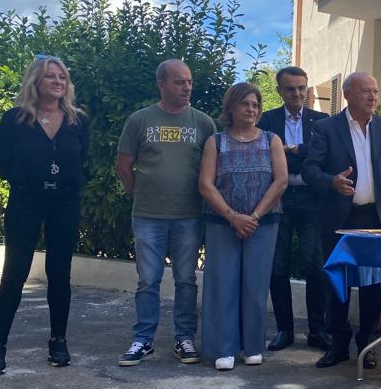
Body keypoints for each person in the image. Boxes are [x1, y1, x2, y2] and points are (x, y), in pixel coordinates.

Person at [0, 56, 90, 376]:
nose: (57, 82)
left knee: (60, 274)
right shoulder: (15, 119)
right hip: (26, 199)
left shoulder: (78, 121)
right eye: (50, 76)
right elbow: (3, 161)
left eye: (62, 77)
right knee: (14, 273)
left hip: (64, 202)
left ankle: (58, 341)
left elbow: (82, 158)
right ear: (35, 81)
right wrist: (28, 179)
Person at [301, 72, 381, 369]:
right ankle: (338, 345)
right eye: (366, 91)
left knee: (374, 284)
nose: (373, 97)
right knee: (338, 283)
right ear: (347, 94)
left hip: (376, 218)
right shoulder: (326, 128)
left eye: (375, 91)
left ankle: (368, 344)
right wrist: (331, 181)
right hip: (339, 217)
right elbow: (310, 170)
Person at [115, 59, 216, 366]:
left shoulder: (203, 123)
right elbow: (123, 165)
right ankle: (143, 340)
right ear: (161, 85)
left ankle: (184, 338)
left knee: (186, 279)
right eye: (179, 82)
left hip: (189, 215)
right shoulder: (140, 120)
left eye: (189, 82)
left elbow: (213, 170)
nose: (187, 87)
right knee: (148, 280)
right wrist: (142, 193)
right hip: (148, 215)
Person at [198, 83, 287, 370]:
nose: (251, 109)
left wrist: (254, 216)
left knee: (255, 286)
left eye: (255, 104)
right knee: (222, 284)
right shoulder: (216, 142)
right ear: (231, 107)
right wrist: (233, 216)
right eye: (245, 103)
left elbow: (281, 181)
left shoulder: (271, 140)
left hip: (263, 224)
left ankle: (252, 346)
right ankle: (223, 348)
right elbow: (205, 184)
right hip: (222, 223)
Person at [256, 66, 330, 351]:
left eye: (301, 88)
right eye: (290, 88)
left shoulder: (322, 122)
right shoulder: (266, 121)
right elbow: (262, 154)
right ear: (279, 91)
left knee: (316, 265)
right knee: (277, 265)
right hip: (279, 197)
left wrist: (295, 150)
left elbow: (326, 155)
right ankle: (284, 330)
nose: (297, 93)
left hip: (313, 199)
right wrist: (296, 151)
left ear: (307, 89)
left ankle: (317, 331)